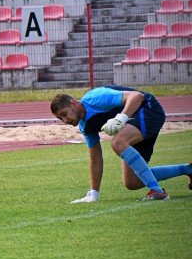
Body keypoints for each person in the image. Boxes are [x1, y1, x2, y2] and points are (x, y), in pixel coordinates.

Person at [50, 86, 192, 203]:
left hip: (149, 109)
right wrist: (93, 194)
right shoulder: (85, 127)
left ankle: (157, 191)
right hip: (136, 121)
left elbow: (137, 97)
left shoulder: (95, 98)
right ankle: (188, 169)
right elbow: (96, 159)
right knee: (132, 182)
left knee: (118, 142)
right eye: (60, 118)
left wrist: (121, 118)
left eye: (64, 114)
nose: (64, 120)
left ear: (73, 103)